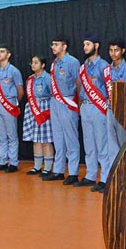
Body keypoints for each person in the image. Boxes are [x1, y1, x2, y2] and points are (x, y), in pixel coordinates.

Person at [76, 34, 111, 191]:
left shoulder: (104, 66)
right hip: (85, 106)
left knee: (102, 143)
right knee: (88, 143)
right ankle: (90, 175)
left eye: (88, 44)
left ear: (96, 46)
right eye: (84, 44)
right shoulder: (83, 66)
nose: (85, 47)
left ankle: (104, 178)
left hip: (99, 107)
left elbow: (109, 89)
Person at [47, 36, 80, 183]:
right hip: (55, 102)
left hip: (68, 101)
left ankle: (73, 172)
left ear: (64, 46)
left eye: (56, 44)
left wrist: (76, 102)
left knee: (71, 138)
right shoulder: (54, 63)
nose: (53, 47)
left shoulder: (72, 62)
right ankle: (58, 170)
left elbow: (78, 83)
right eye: (53, 44)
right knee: (58, 138)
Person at [0, 44, 24, 173]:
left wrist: (13, 103)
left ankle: (13, 162)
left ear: (8, 55)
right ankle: (3, 161)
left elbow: (20, 91)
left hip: (9, 103)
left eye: (2, 51)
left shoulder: (14, 71)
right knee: (1, 134)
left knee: (11, 134)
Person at [104, 39, 126, 172]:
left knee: (124, 144)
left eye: (116, 50)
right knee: (111, 144)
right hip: (110, 109)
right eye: (111, 50)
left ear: (122, 51)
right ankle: (114, 173)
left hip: (124, 110)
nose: (113, 53)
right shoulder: (107, 70)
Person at [21, 55, 54, 178]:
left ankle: (48, 167)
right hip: (32, 109)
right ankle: (37, 166)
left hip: (44, 109)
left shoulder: (48, 78)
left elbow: (53, 94)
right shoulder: (30, 79)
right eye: (32, 63)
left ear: (43, 65)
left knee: (46, 140)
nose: (33, 65)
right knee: (36, 140)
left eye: (36, 62)